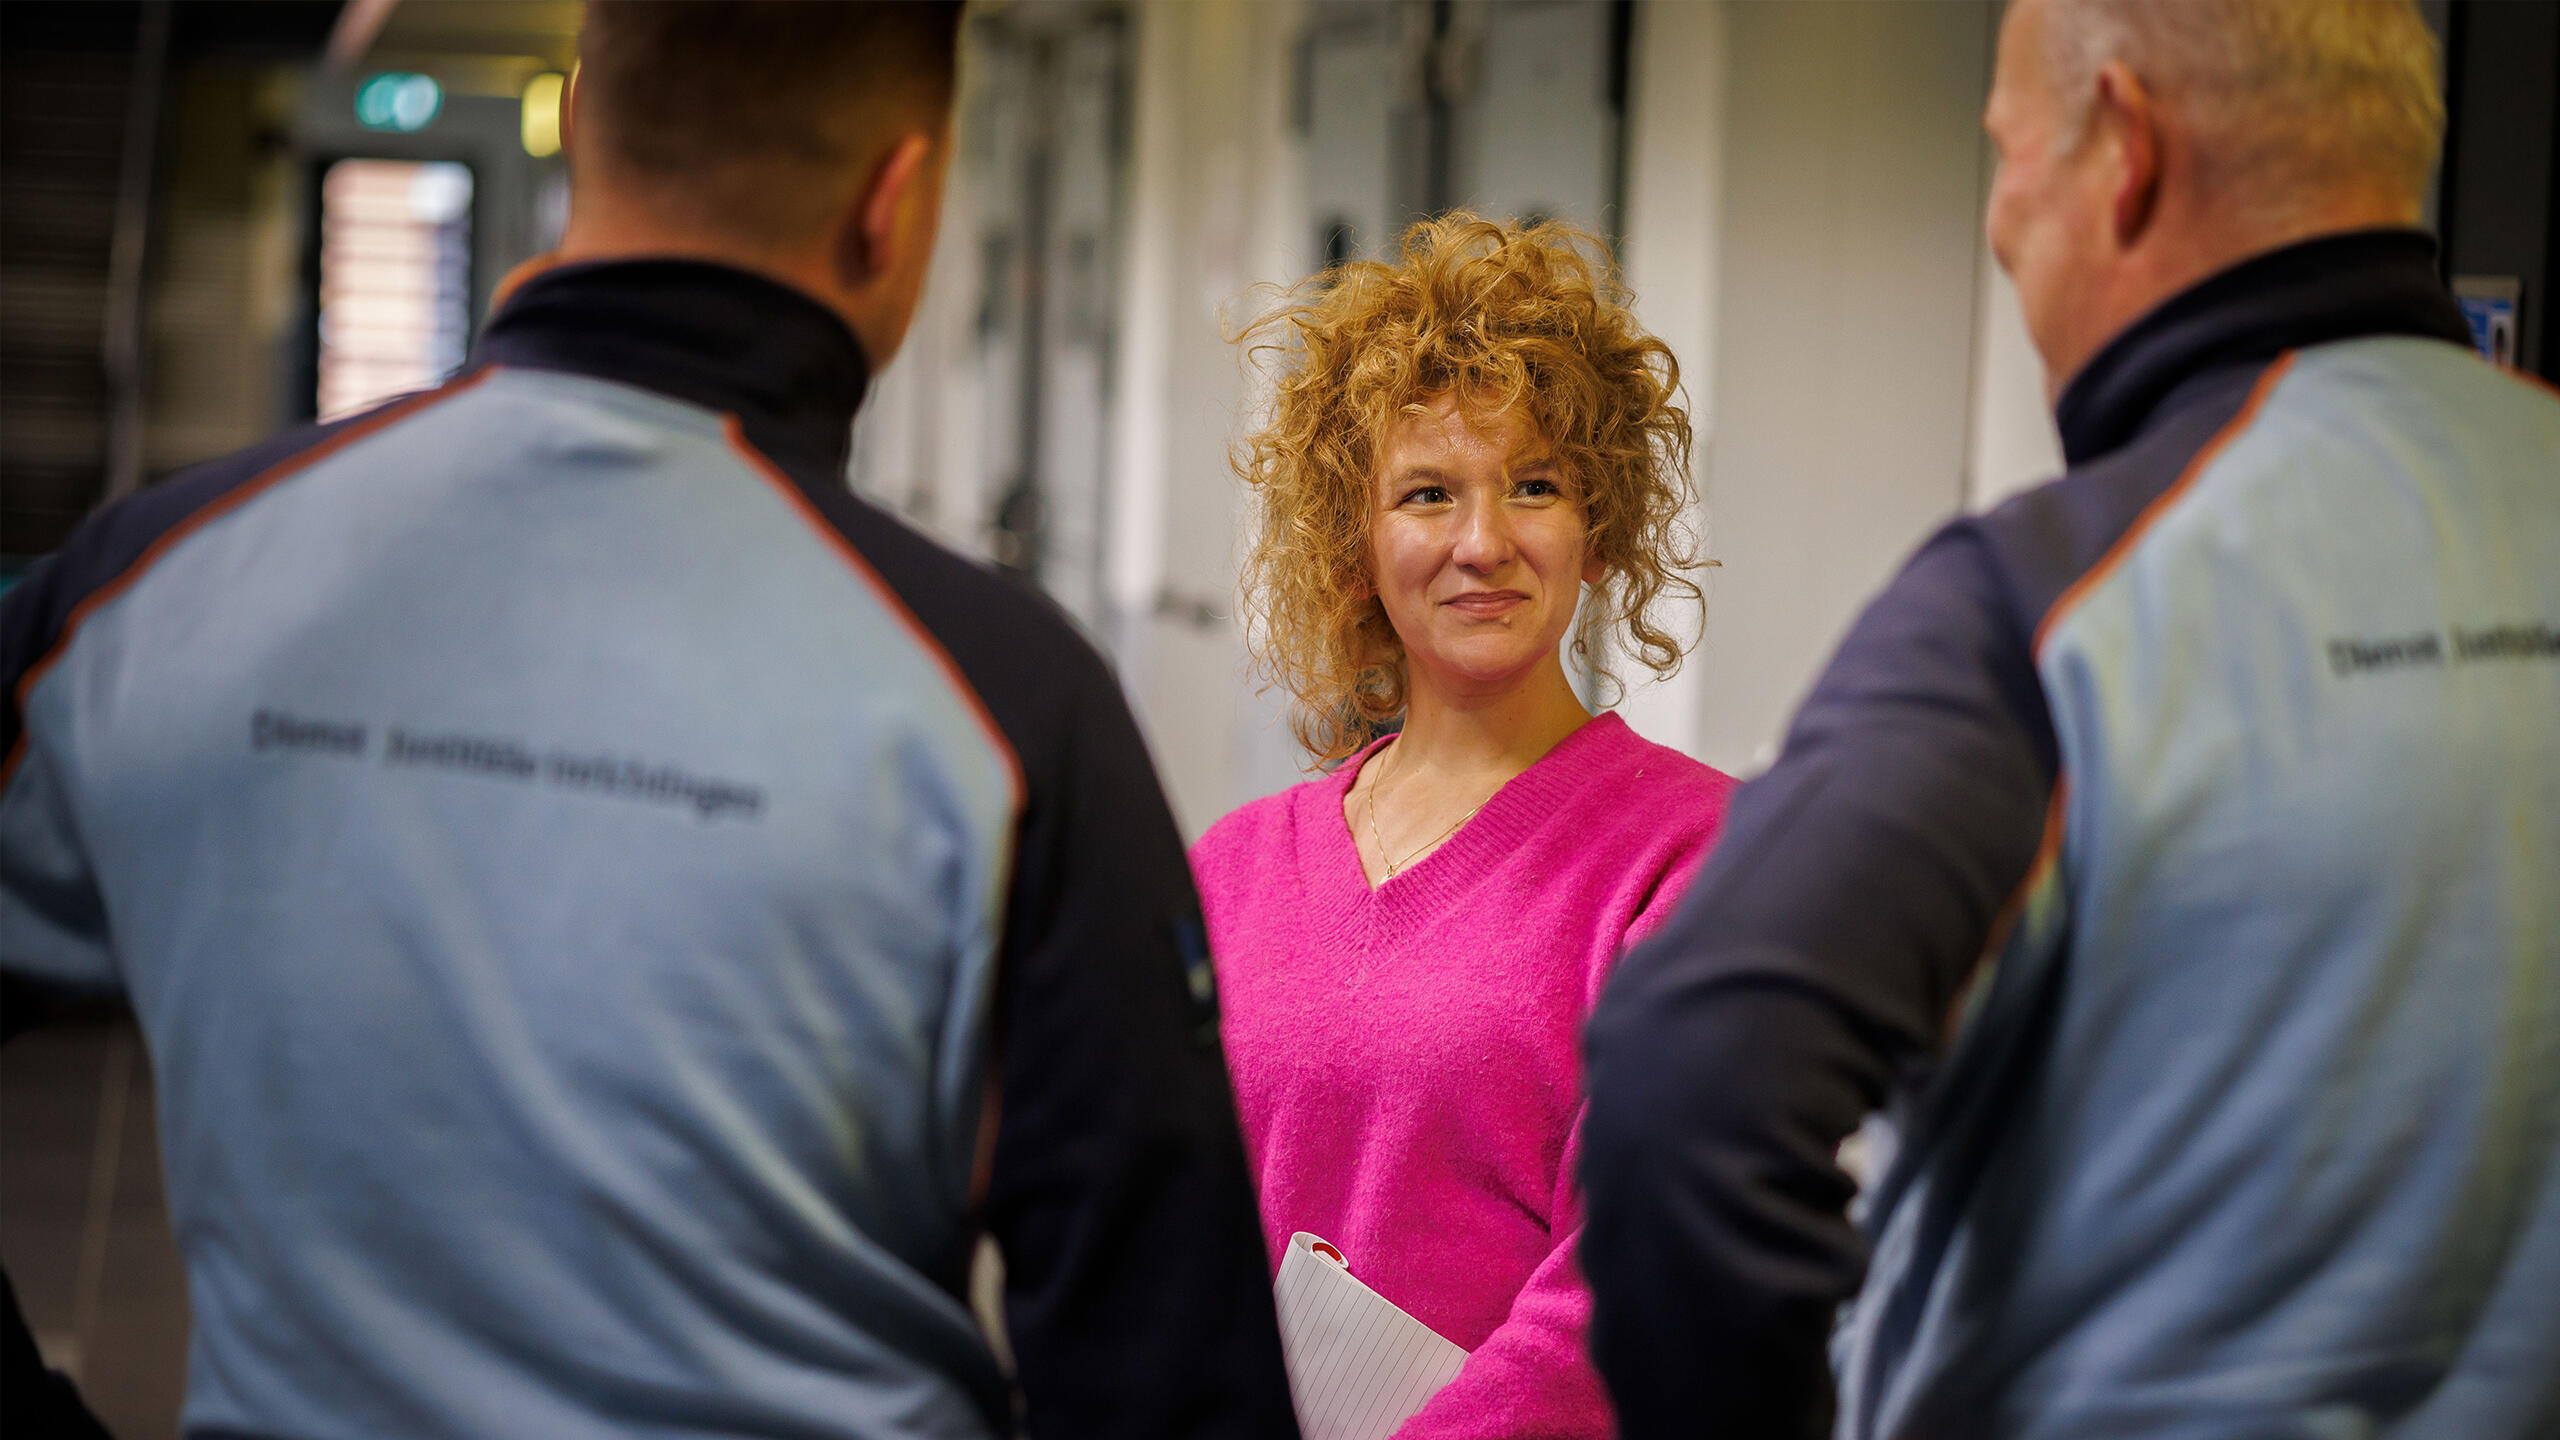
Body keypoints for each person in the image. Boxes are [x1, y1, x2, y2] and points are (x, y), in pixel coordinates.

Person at [0, 5, 1296, 1436]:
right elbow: (1171, 1384)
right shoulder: (1008, 713)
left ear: (579, 122)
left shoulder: (154, 593)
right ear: (895, 199)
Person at [1581, 0, 2560, 1435]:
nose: (1998, 223)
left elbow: (1686, 1087)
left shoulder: (2047, 608)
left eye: (2007, 152)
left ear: (2124, 147)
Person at [1192, 215, 1736, 1438]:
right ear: (1356, 540)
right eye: (1428, 494)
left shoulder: (1692, 859)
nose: (1483, 544)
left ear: (1598, 526)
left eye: (1534, 486)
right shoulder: (1233, 867)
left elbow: (1630, 1277)